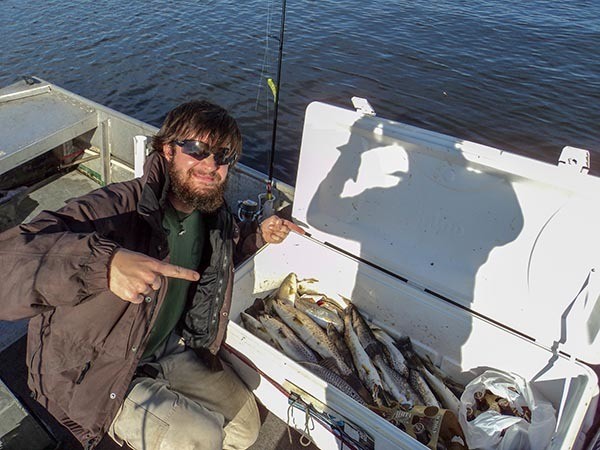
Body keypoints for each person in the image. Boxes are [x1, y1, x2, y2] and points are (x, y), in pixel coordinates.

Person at [0, 100, 302, 450]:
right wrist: (105, 265)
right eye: (197, 149)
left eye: (223, 155)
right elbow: (10, 263)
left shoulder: (212, 214)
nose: (211, 165)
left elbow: (223, 251)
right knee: (200, 436)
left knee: (246, 427)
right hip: (97, 370)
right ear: (167, 149)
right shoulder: (111, 209)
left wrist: (258, 235)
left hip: (168, 347)